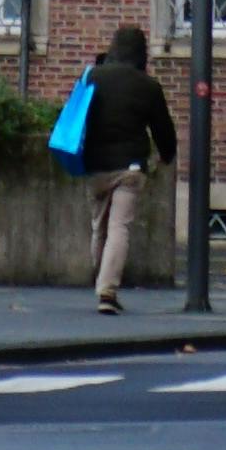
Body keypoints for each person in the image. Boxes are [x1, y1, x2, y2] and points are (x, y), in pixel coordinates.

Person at [73, 19, 178, 312]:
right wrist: (166, 156)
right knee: (120, 227)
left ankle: (99, 273)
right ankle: (107, 291)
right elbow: (164, 131)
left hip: (95, 164)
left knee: (100, 226)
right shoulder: (148, 86)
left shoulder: (93, 77)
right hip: (130, 166)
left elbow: (77, 116)